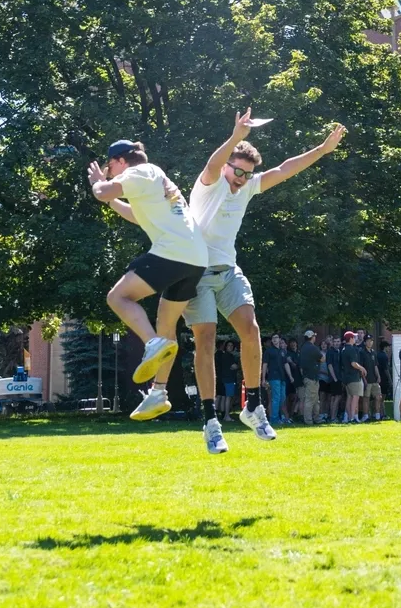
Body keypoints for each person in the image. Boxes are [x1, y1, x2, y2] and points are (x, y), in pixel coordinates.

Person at [155, 111, 345, 443]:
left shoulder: (247, 187)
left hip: (228, 271)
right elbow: (213, 164)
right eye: (237, 171)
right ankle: (210, 421)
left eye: (247, 173)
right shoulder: (210, 183)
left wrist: (322, 150)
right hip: (196, 273)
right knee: (206, 339)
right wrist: (234, 137)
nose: (241, 178)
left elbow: (284, 169)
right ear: (228, 166)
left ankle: (253, 406)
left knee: (251, 328)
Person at [87, 139, 208, 433]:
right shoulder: (154, 176)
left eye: (110, 166)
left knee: (118, 297)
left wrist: (98, 183)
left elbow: (103, 192)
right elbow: (136, 215)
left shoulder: (137, 172)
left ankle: (151, 343)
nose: (110, 172)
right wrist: (110, 199)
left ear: (120, 161)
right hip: (195, 259)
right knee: (167, 328)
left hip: (172, 252)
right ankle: (158, 393)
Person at [261, 335, 291, 426]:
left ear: (280, 339)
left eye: (276, 338)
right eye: (273, 338)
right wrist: (263, 378)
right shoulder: (268, 351)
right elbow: (265, 364)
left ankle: (279, 417)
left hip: (282, 378)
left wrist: (290, 376)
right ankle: (274, 419)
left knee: (282, 398)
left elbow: (286, 364)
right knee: (276, 398)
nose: (274, 339)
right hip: (273, 377)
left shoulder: (282, 351)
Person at [341, 332, 368, 423]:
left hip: (346, 377)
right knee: (355, 398)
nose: (355, 339)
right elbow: (353, 363)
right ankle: (352, 418)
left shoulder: (343, 349)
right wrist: (362, 368)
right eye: (353, 337)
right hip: (354, 377)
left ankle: (349, 417)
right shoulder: (351, 349)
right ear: (351, 339)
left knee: (349, 397)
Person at [297, 330, 324, 425]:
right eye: (314, 336)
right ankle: (308, 420)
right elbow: (322, 359)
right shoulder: (313, 348)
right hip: (312, 377)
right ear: (312, 337)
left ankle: (317, 418)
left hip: (307, 377)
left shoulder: (303, 348)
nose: (315, 338)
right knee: (310, 399)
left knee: (315, 400)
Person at [214, 339, 238, 421]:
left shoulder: (226, 355)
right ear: (225, 347)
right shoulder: (227, 356)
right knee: (228, 397)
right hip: (228, 379)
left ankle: (223, 414)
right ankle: (226, 415)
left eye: (231, 345)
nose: (230, 347)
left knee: (225, 397)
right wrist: (236, 366)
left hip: (226, 378)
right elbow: (234, 366)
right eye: (228, 345)